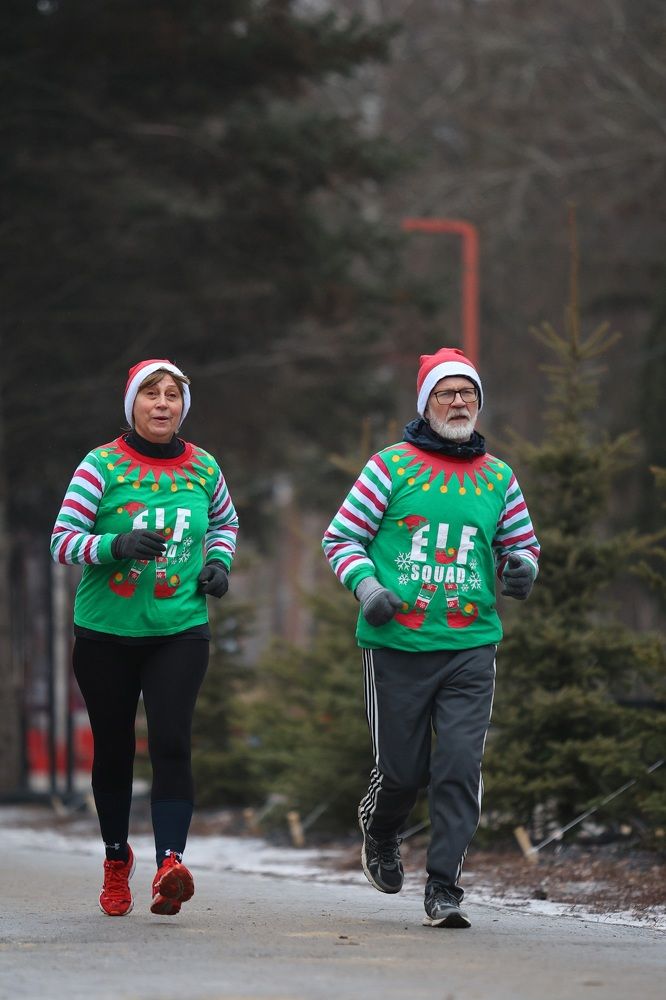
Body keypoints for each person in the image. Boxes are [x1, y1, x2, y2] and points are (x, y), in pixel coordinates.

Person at [322, 347, 539, 929]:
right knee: (402, 772)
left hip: (471, 646)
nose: (459, 402)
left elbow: (520, 544)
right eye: (446, 393)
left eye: (468, 393)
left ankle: (444, 887)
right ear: (426, 403)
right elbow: (341, 538)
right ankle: (381, 830)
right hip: (398, 645)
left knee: (460, 767)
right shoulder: (390, 467)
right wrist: (369, 589)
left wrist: (522, 568)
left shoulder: (499, 476)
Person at [50, 358, 239, 918]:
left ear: (183, 406)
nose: (162, 403)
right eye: (150, 394)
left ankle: (169, 865)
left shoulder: (204, 467)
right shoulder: (101, 465)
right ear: (132, 404)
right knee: (113, 749)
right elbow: (62, 540)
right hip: (105, 633)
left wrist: (218, 564)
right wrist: (115, 545)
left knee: (171, 742)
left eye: (172, 395)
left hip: (179, 629)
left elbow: (224, 523)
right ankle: (116, 859)